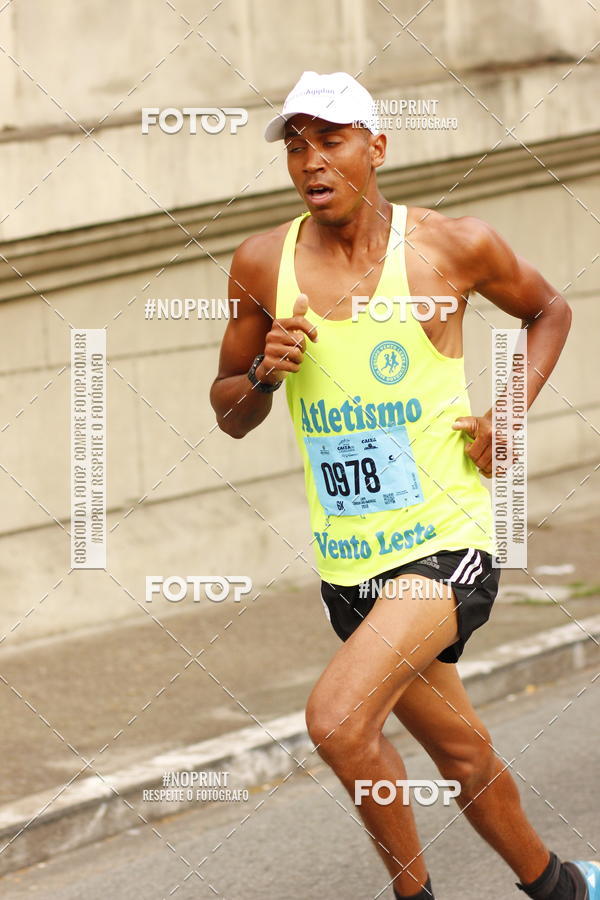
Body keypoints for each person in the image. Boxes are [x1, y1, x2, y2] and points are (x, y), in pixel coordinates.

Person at [210, 70, 598, 900]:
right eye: (296, 145)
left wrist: (508, 412)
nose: (312, 160)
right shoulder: (260, 264)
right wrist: (262, 376)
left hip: (446, 543)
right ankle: (564, 887)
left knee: (337, 721)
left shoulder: (452, 246)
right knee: (462, 752)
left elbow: (548, 311)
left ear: (377, 147)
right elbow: (229, 413)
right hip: (350, 566)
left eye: (332, 139)